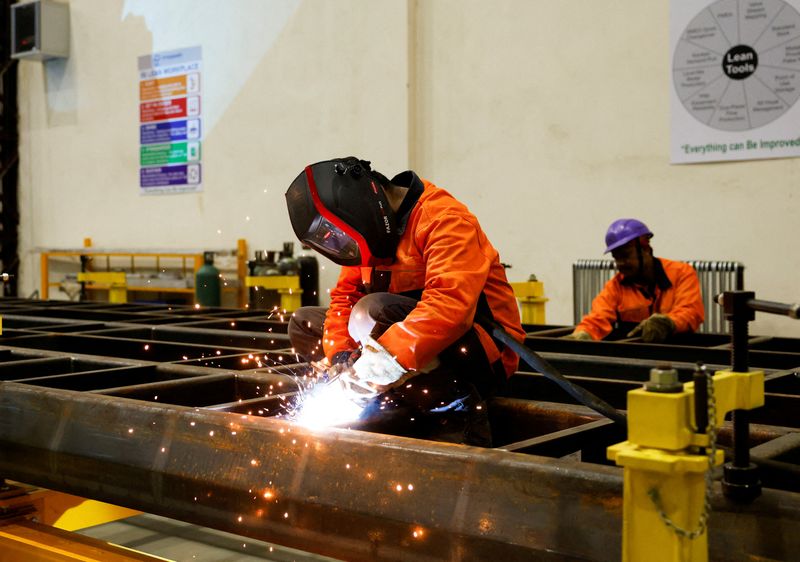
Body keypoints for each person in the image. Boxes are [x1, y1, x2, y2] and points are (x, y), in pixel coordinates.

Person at [285, 156, 525, 446]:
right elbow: (344, 297)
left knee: (369, 313)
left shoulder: (444, 219)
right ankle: (391, 395)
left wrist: (365, 376)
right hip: (404, 337)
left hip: (479, 351)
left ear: (360, 206)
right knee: (306, 324)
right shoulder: (366, 237)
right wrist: (341, 357)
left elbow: (449, 307)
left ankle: (456, 415)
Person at [567, 218, 704, 343]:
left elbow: (690, 312)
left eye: (625, 255)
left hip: (677, 353)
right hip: (636, 356)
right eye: (616, 258)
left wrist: (667, 322)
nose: (620, 263)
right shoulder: (615, 287)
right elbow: (597, 318)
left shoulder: (681, 273)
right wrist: (583, 334)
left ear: (645, 248)